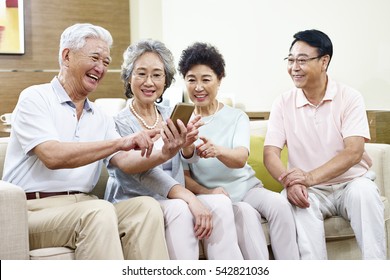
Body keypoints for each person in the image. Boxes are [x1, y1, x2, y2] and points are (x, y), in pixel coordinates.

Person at [2, 23, 170, 260]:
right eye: (95, 58)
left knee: (146, 208)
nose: (100, 68)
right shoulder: (35, 97)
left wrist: (167, 151)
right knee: (98, 211)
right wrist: (120, 142)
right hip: (32, 211)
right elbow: (53, 155)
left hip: (85, 204)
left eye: (106, 62)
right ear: (67, 56)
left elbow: (125, 161)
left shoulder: (99, 114)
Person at [104, 39, 244, 260]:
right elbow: (144, 172)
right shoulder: (117, 122)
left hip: (174, 197)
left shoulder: (171, 113)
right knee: (180, 209)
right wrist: (190, 198)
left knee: (221, 203)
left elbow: (188, 159)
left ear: (166, 80)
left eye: (157, 75)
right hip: (138, 200)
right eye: (141, 73)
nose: (149, 82)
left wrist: (188, 145)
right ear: (129, 77)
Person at [263, 29, 386, 260]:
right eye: (290, 60)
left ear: (324, 62)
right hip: (312, 191)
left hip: (351, 183)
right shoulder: (282, 103)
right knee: (295, 201)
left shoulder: (350, 97)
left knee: (366, 195)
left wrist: (309, 177)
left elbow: (354, 151)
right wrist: (289, 182)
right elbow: (270, 153)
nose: (294, 67)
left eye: (302, 60)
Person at [178, 42, 299, 260]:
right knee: (246, 216)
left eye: (206, 79)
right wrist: (208, 192)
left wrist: (217, 150)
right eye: (191, 79)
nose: (198, 87)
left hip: (248, 189)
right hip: (217, 198)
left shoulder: (236, 117)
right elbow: (183, 177)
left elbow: (241, 159)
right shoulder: (181, 123)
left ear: (219, 80)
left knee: (280, 205)